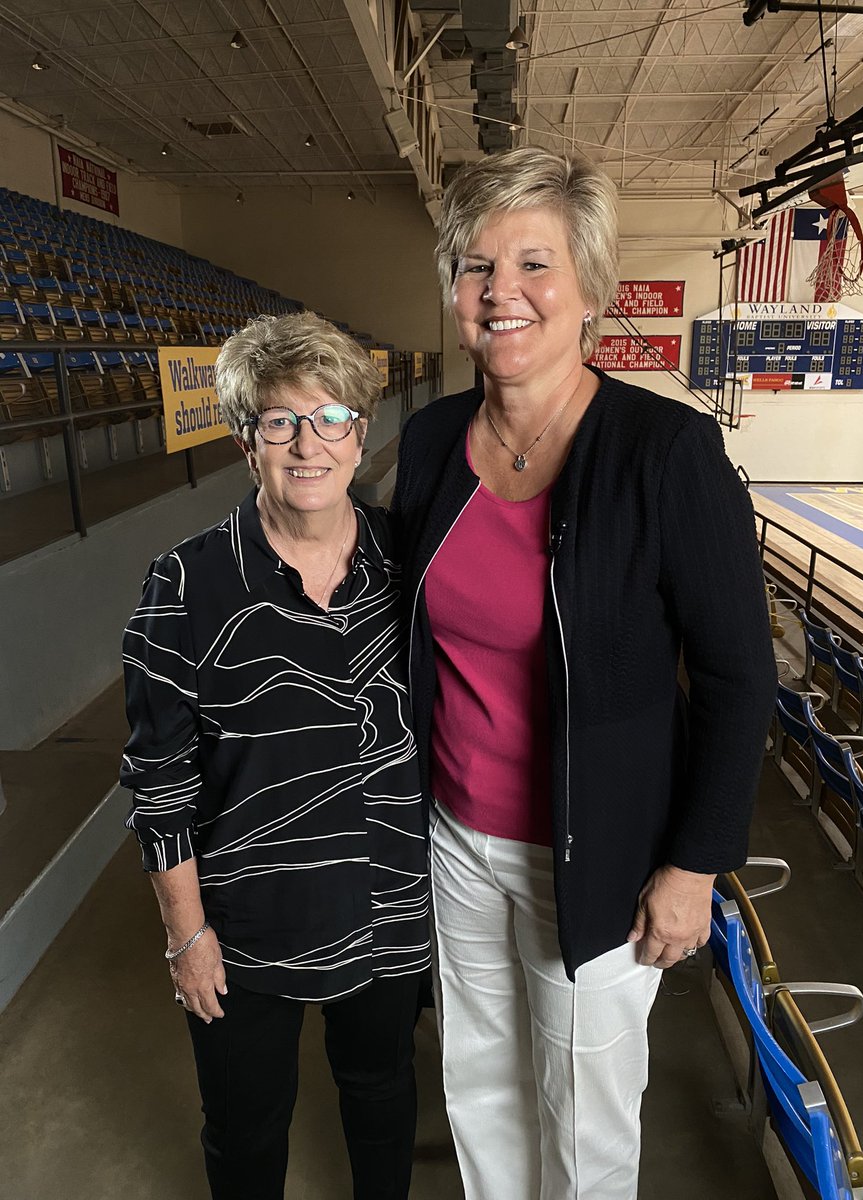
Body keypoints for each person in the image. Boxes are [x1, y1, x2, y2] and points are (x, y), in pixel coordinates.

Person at [391, 147, 777, 1200]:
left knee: (585, 1108)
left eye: (533, 264)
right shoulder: (428, 444)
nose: (500, 292)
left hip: (600, 853)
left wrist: (695, 864)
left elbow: (742, 678)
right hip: (457, 839)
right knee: (478, 1082)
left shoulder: (665, 454)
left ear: (591, 290)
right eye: (477, 268)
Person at [120, 312, 430, 1200]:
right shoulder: (184, 583)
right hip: (246, 930)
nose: (308, 443)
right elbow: (158, 779)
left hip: (391, 908)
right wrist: (187, 934)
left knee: (381, 1099)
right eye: (280, 420)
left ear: (359, 434)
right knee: (247, 1130)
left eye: (330, 417)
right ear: (245, 439)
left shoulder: (405, 561)